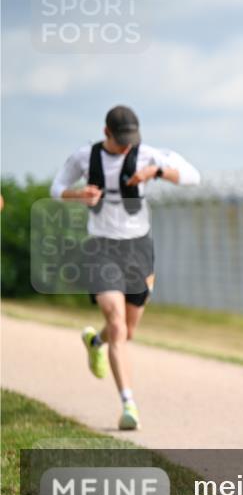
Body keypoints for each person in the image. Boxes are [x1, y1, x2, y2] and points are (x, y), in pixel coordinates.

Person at [50, 105, 201, 430]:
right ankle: (128, 404)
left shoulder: (148, 155)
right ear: (106, 133)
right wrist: (79, 195)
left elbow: (192, 177)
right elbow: (56, 187)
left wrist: (157, 173)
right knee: (117, 324)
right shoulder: (84, 157)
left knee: (127, 331)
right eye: (121, 141)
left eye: (131, 140)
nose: (127, 146)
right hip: (102, 248)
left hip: (138, 248)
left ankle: (95, 343)